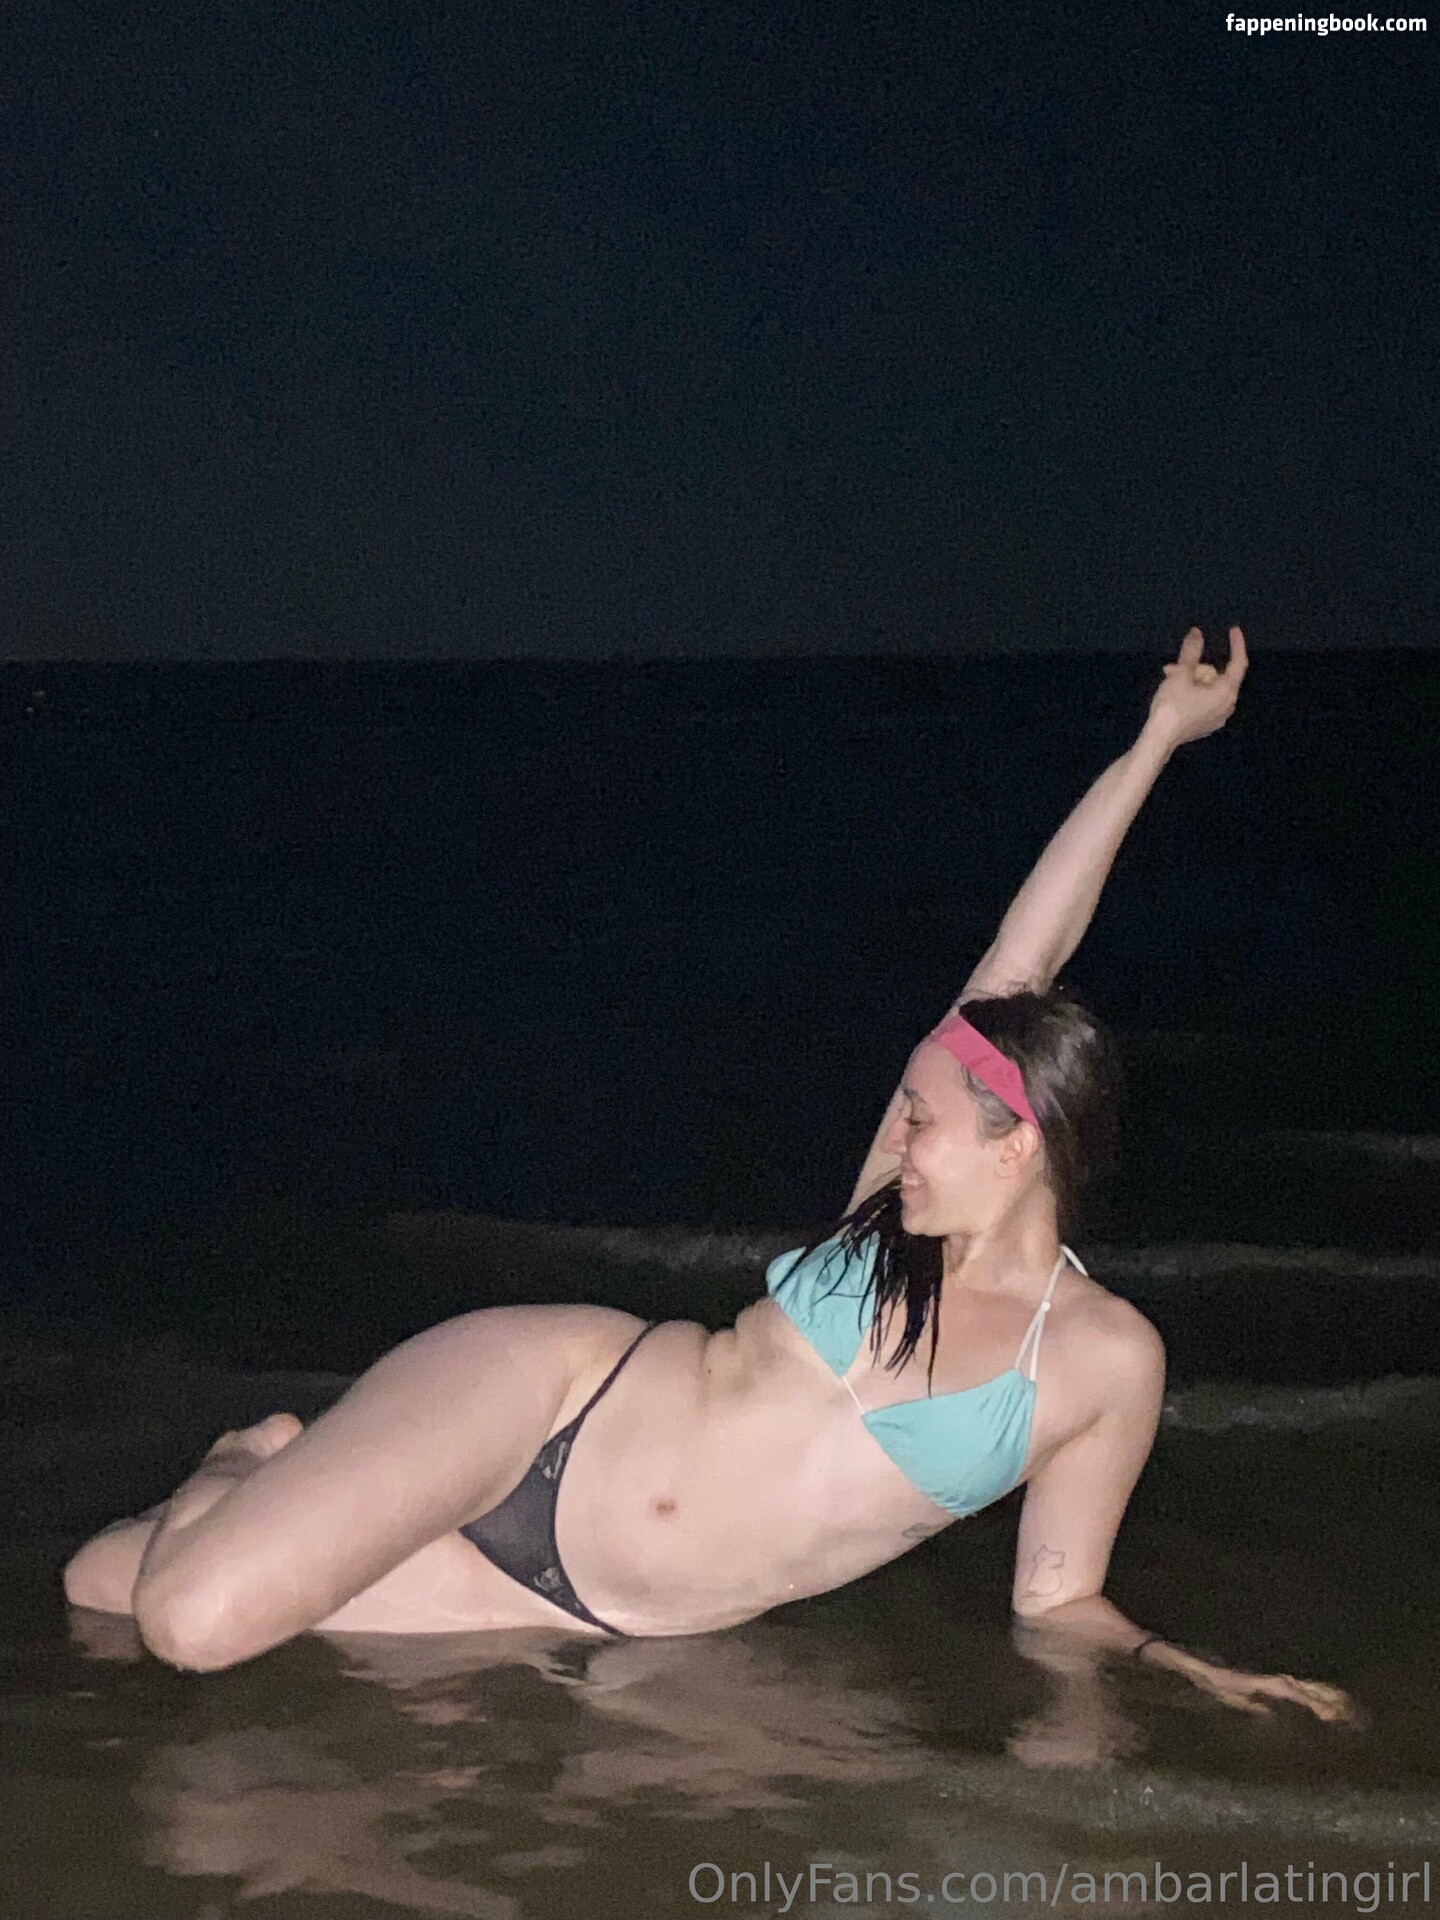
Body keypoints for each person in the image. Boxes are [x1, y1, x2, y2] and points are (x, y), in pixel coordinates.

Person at [62, 627, 1354, 1723]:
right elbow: (1026, 952)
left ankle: (267, 1485)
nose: (896, 1139)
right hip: (548, 1402)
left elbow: (1059, 1600)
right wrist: (1154, 742)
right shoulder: (885, 1228)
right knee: (192, 1619)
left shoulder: (1105, 1363)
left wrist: (1190, 1670)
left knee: (98, 1587)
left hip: (577, 1608)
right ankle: (251, 1454)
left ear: (1019, 1140)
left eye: (923, 1120)